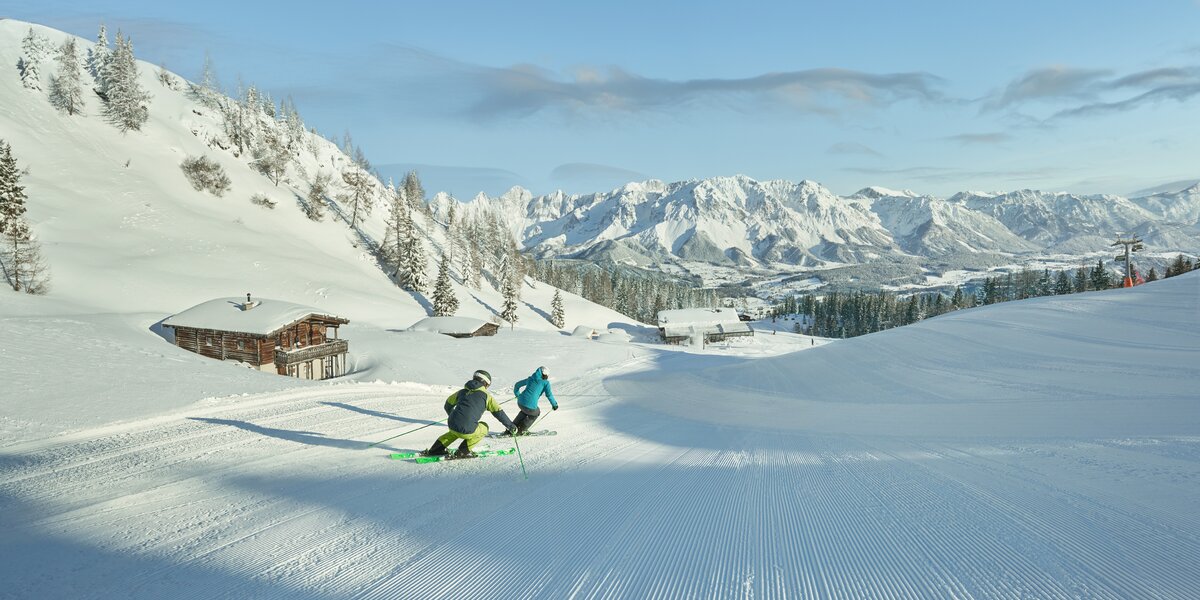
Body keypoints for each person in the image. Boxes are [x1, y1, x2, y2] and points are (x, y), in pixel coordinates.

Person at [423, 369, 517, 458]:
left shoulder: (462, 391)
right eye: (487, 385)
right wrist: (511, 426)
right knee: (484, 427)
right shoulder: (487, 397)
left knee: (454, 433)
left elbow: (447, 405)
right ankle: (462, 452)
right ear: (485, 383)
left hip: (452, 424)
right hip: (467, 429)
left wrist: (455, 416)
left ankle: (435, 450)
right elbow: (499, 413)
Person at [507, 366, 558, 435]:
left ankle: (511, 429)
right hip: (530, 406)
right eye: (546, 375)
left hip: (520, 402)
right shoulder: (545, 383)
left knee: (524, 412)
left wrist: (518, 395)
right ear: (544, 374)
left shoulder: (530, 379)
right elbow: (549, 395)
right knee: (536, 412)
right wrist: (554, 405)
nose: (547, 377)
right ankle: (521, 430)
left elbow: (517, 385)